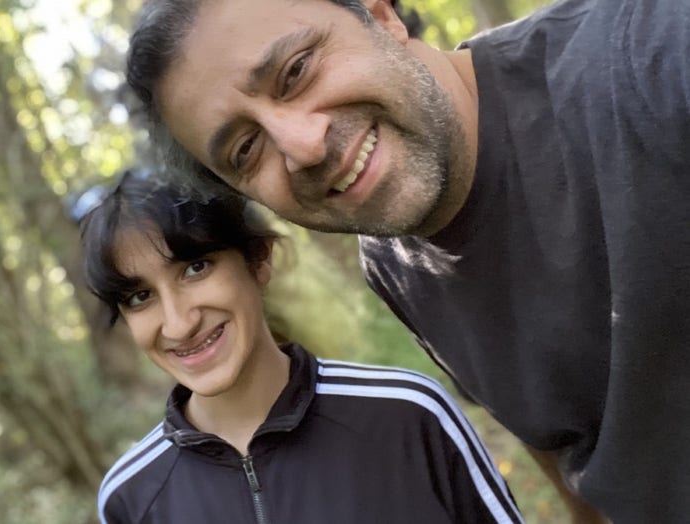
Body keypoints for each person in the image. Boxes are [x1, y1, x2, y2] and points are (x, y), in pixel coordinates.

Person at [123, 0, 690, 522]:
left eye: (295, 71)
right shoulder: (393, 263)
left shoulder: (649, 55)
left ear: (379, 13)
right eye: (246, 150)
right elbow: (556, 435)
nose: (304, 145)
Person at [81, 172, 521, 523]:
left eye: (196, 268)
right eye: (139, 297)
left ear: (260, 259)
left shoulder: (409, 414)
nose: (178, 323)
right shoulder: (129, 498)